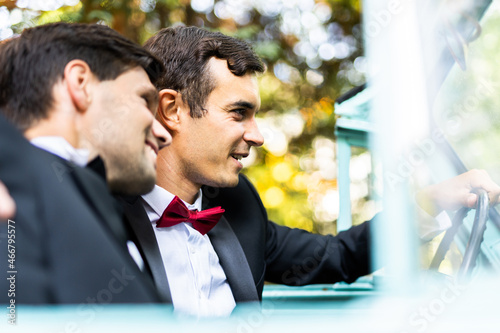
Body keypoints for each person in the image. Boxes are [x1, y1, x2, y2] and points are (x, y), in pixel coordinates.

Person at [0, 23, 171, 304]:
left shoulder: (89, 196)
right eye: (144, 101)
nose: (163, 134)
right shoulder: (15, 181)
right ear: (80, 83)